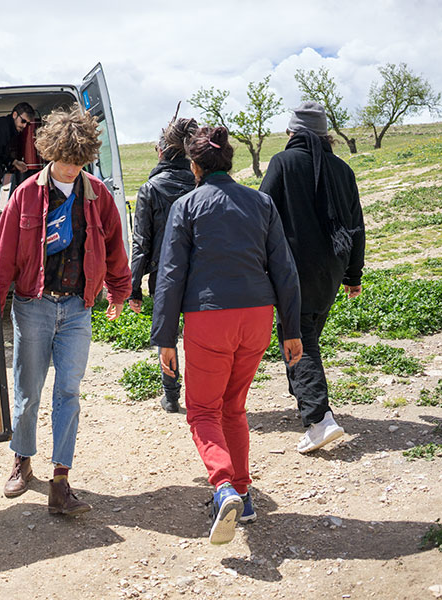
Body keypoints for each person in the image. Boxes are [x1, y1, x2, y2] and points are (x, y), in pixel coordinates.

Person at [151, 126, 303, 545]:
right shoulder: (262, 202)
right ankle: (245, 495)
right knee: (233, 407)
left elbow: (170, 275)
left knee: (202, 411)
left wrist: (164, 337)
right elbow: (285, 271)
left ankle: (223, 488)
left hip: (209, 316)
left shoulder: (186, 206)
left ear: (194, 165)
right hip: (257, 315)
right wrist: (292, 330)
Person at [0, 106, 131, 516]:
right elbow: (2, 259)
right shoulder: (25, 195)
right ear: (51, 153)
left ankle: (61, 479)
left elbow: (115, 249)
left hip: (76, 310)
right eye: (65, 161)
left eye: (79, 163)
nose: (71, 170)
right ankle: (22, 460)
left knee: (68, 391)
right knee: (28, 392)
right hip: (33, 307)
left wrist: (119, 292)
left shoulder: (98, 195)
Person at [259, 101, 366, 455]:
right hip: (332, 267)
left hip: (293, 268)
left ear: (292, 133)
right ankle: (307, 399)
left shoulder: (283, 163)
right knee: (308, 331)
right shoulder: (342, 169)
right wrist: (353, 274)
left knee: (299, 338)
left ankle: (320, 419)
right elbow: (355, 226)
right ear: (324, 136)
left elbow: (262, 211)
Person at [128, 115, 198, 413]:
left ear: (161, 152)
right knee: (198, 334)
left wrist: (133, 288)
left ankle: (171, 395)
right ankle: (203, 392)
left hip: (163, 273)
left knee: (167, 334)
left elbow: (141, 242)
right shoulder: (200, 182)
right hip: (201, 272)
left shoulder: (150, 188)